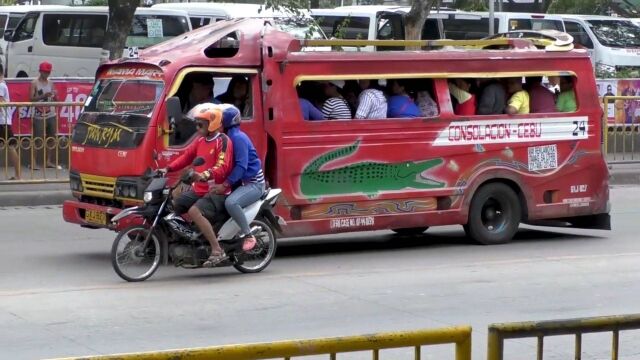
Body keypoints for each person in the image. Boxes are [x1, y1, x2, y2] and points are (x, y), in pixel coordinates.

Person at [161, 103, 234, 267]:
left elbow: (222, 166)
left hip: (216, 191)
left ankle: (217, 249)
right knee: (173, 204)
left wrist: (205, 175)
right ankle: (192, 238)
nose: (197, 126)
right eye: (197, 123)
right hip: (199, 189)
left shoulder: (222, 141)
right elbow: (186, 157)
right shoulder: (200, 140)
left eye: (201, 123)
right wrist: (167, 168)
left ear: (212, 124)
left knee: (194, 211)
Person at [209, 104, 266, 260]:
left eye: (221, 121)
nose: (218, 125)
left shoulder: (238, 138)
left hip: (253, 184)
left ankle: (248, 235)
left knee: (231, 203)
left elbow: (241, 166)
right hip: (240, 183)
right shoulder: (227, 138)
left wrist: (225, 184)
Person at [30, 61, 59, 170]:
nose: (47, 74)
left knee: (51, 138)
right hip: (39, 114)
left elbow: (57, 100)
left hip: (51, 113)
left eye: (48, 72)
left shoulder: (51, 83)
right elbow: (31, 99)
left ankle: (48, 161)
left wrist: (55, 96)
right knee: (38, 139)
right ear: (40, 71)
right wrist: (42, 96)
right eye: (45, 72)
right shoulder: (34, 83)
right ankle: (33, 162)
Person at [0, 64, 20, 180]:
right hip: (3, 122)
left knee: (11, 147)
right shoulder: (3, 85)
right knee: (11, 147)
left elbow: (1, 103)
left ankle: (18, 175)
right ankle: (17, 175)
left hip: (2, 122)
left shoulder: (1, 86)